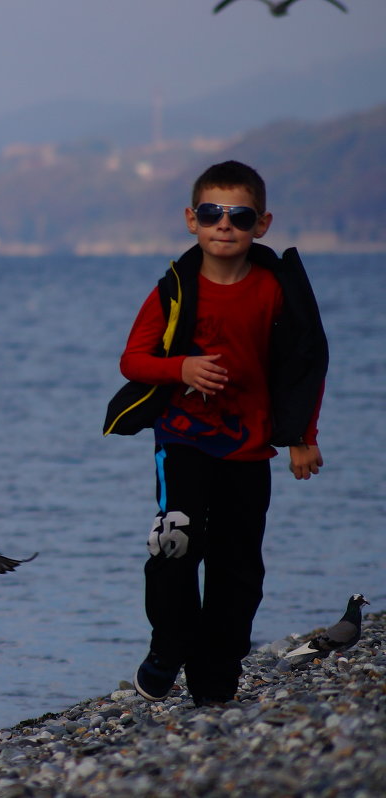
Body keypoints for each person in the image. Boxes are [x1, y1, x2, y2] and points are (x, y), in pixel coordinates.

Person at [103, 160, 328, 707]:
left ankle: (215, 683)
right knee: (175, 544)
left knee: (238, 566)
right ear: (191, 220)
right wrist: (179, 368)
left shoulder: (277, 290)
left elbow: (305, 363)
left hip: (249, 447)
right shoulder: (175, 289)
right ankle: (167, 646)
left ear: (263, 224)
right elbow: (132, 360)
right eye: (211, 213)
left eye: (240, 215)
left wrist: (303, 435)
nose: (224, 225)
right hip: (181, 438)